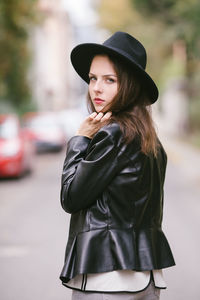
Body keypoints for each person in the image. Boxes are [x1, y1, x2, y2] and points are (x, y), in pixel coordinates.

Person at [59, 31, 175, 300]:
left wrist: (80, 139)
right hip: (146, 278)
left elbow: (70, 196)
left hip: (107, 278)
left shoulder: (113, 134)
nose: (97, 88)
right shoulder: (150, 140)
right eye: (93, 78)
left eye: (110, 80)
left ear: (130, 85)